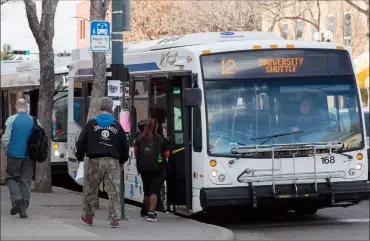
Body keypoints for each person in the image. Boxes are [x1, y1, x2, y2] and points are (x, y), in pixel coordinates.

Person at [75, 97, 129, 228]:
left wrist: (80, 157)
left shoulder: (90, 124)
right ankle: (114, 218)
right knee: (114, 191)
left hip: (94, 161)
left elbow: (81, 142)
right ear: (111, 108)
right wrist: (122, 160)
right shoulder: (117, 125)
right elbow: (125, 145)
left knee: (90, 189)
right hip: (112, 162)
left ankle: (88, 216)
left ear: (100, 107)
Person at [1, 98, 40, 219]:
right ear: (26, 107)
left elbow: (5, 138)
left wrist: (7, 151)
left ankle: (17, 198)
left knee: (10, 178)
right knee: (25, 181)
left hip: (14, 155)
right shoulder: (35, 121)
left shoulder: (11, 120)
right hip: (29, 156)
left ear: (16, 107)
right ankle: (23, 210)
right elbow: (40, 138)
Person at [134, 118, 169, 222]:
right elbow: (167, 154)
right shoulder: (161, 139)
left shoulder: (139, 139)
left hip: (143, 168)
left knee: (147, 190)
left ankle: (144, 211)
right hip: (157, 169)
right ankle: (151, 213)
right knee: (154, 191)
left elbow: (136, 153)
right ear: (156, 127)